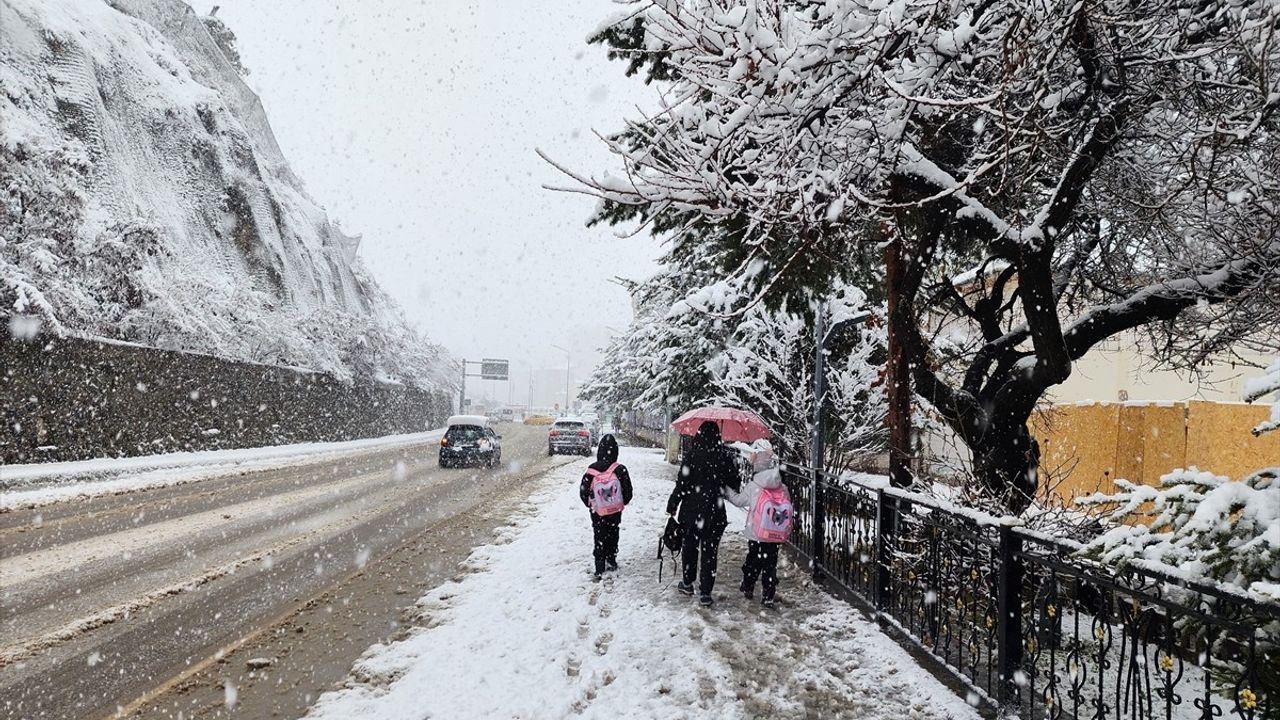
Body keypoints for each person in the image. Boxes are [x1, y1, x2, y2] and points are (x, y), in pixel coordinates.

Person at [666, 421, 741, 606]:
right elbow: (735, 484)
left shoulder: (692, 455)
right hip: (715, 513)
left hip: (691, 513)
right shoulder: (723, 456)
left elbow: (682, 484)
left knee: (690, 547)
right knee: (710, 552)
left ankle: (688, 583)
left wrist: (673, 503)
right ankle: (706, 592)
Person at [724, 441, 788, 608]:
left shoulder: (754, 486)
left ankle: (748, 586)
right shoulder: (782, 485)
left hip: (757, 532)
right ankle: (768, 594)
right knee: (770, 563)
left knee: (753, 559)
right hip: (774, 532)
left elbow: (738, 501)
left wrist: (726, 490)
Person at [579, 434, 633, 580]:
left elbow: (583, 492)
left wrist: (592, 505)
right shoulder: (620, 469)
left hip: (597, 511)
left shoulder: (591, 470)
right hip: (615, 510)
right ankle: (611, 558)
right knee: (613, 531)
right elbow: (628, 492)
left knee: (599, 534)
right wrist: (620, 503)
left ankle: (599, 564)